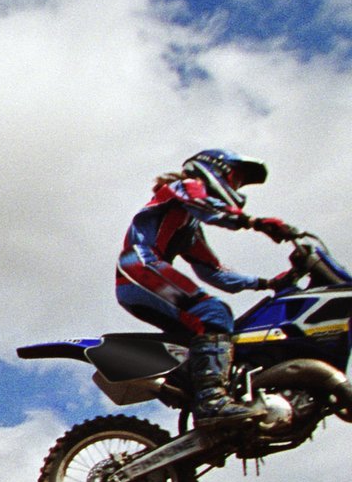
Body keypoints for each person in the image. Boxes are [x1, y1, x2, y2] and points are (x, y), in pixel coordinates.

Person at [116, 148, 295, 424]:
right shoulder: (182, 187)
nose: (236, 186)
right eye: (236, 178)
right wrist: (254, 222)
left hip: (142, 276)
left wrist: (266, 283)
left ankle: (193, 388)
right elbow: (206, 206)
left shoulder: (189, 226)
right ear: (215, 169)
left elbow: (214, 272)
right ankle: (212, 401)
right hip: (140, 266)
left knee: (206, 331)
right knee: (214, 313)